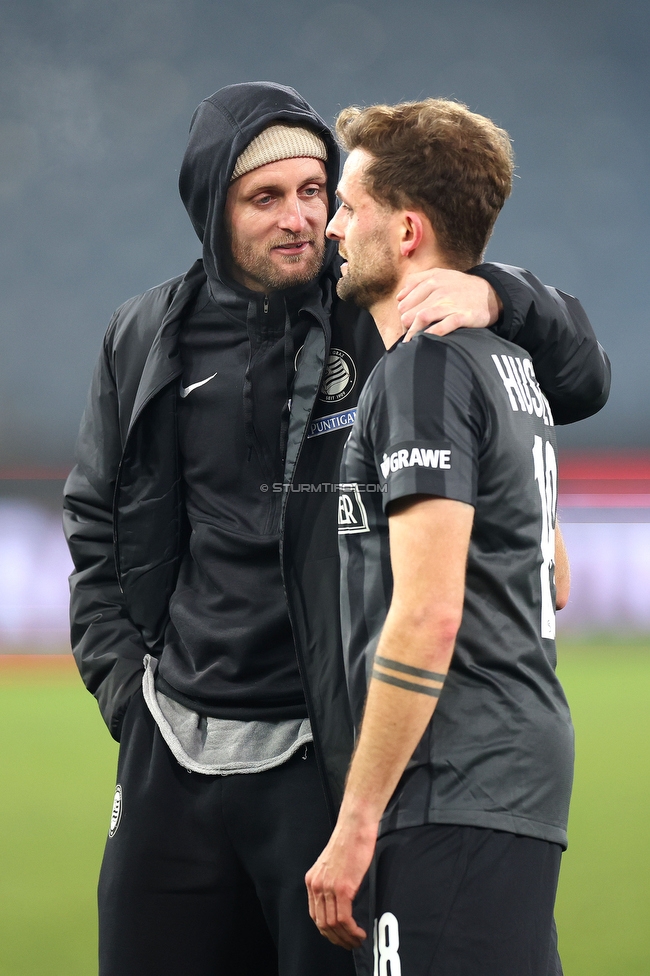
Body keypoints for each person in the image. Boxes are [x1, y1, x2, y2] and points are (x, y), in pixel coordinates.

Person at [63, 82, 609, 976]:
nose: (302, 219)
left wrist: (495, 294)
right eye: (266, 198)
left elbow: (584, 376)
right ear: (212, 208)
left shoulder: (380, 307)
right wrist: (129, 695)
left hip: (325, 757)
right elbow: (93, 521)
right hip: (170, 752)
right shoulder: (142, 338)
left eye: (317, 192)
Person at [306, 98, 582, 976]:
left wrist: (356, 823)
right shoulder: (507, 365)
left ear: (410, 231)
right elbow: (557, 576)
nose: (333, 228)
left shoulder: (422, 368)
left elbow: (427, 617)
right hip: (510, 777)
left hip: (451, 782)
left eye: (350, 207)